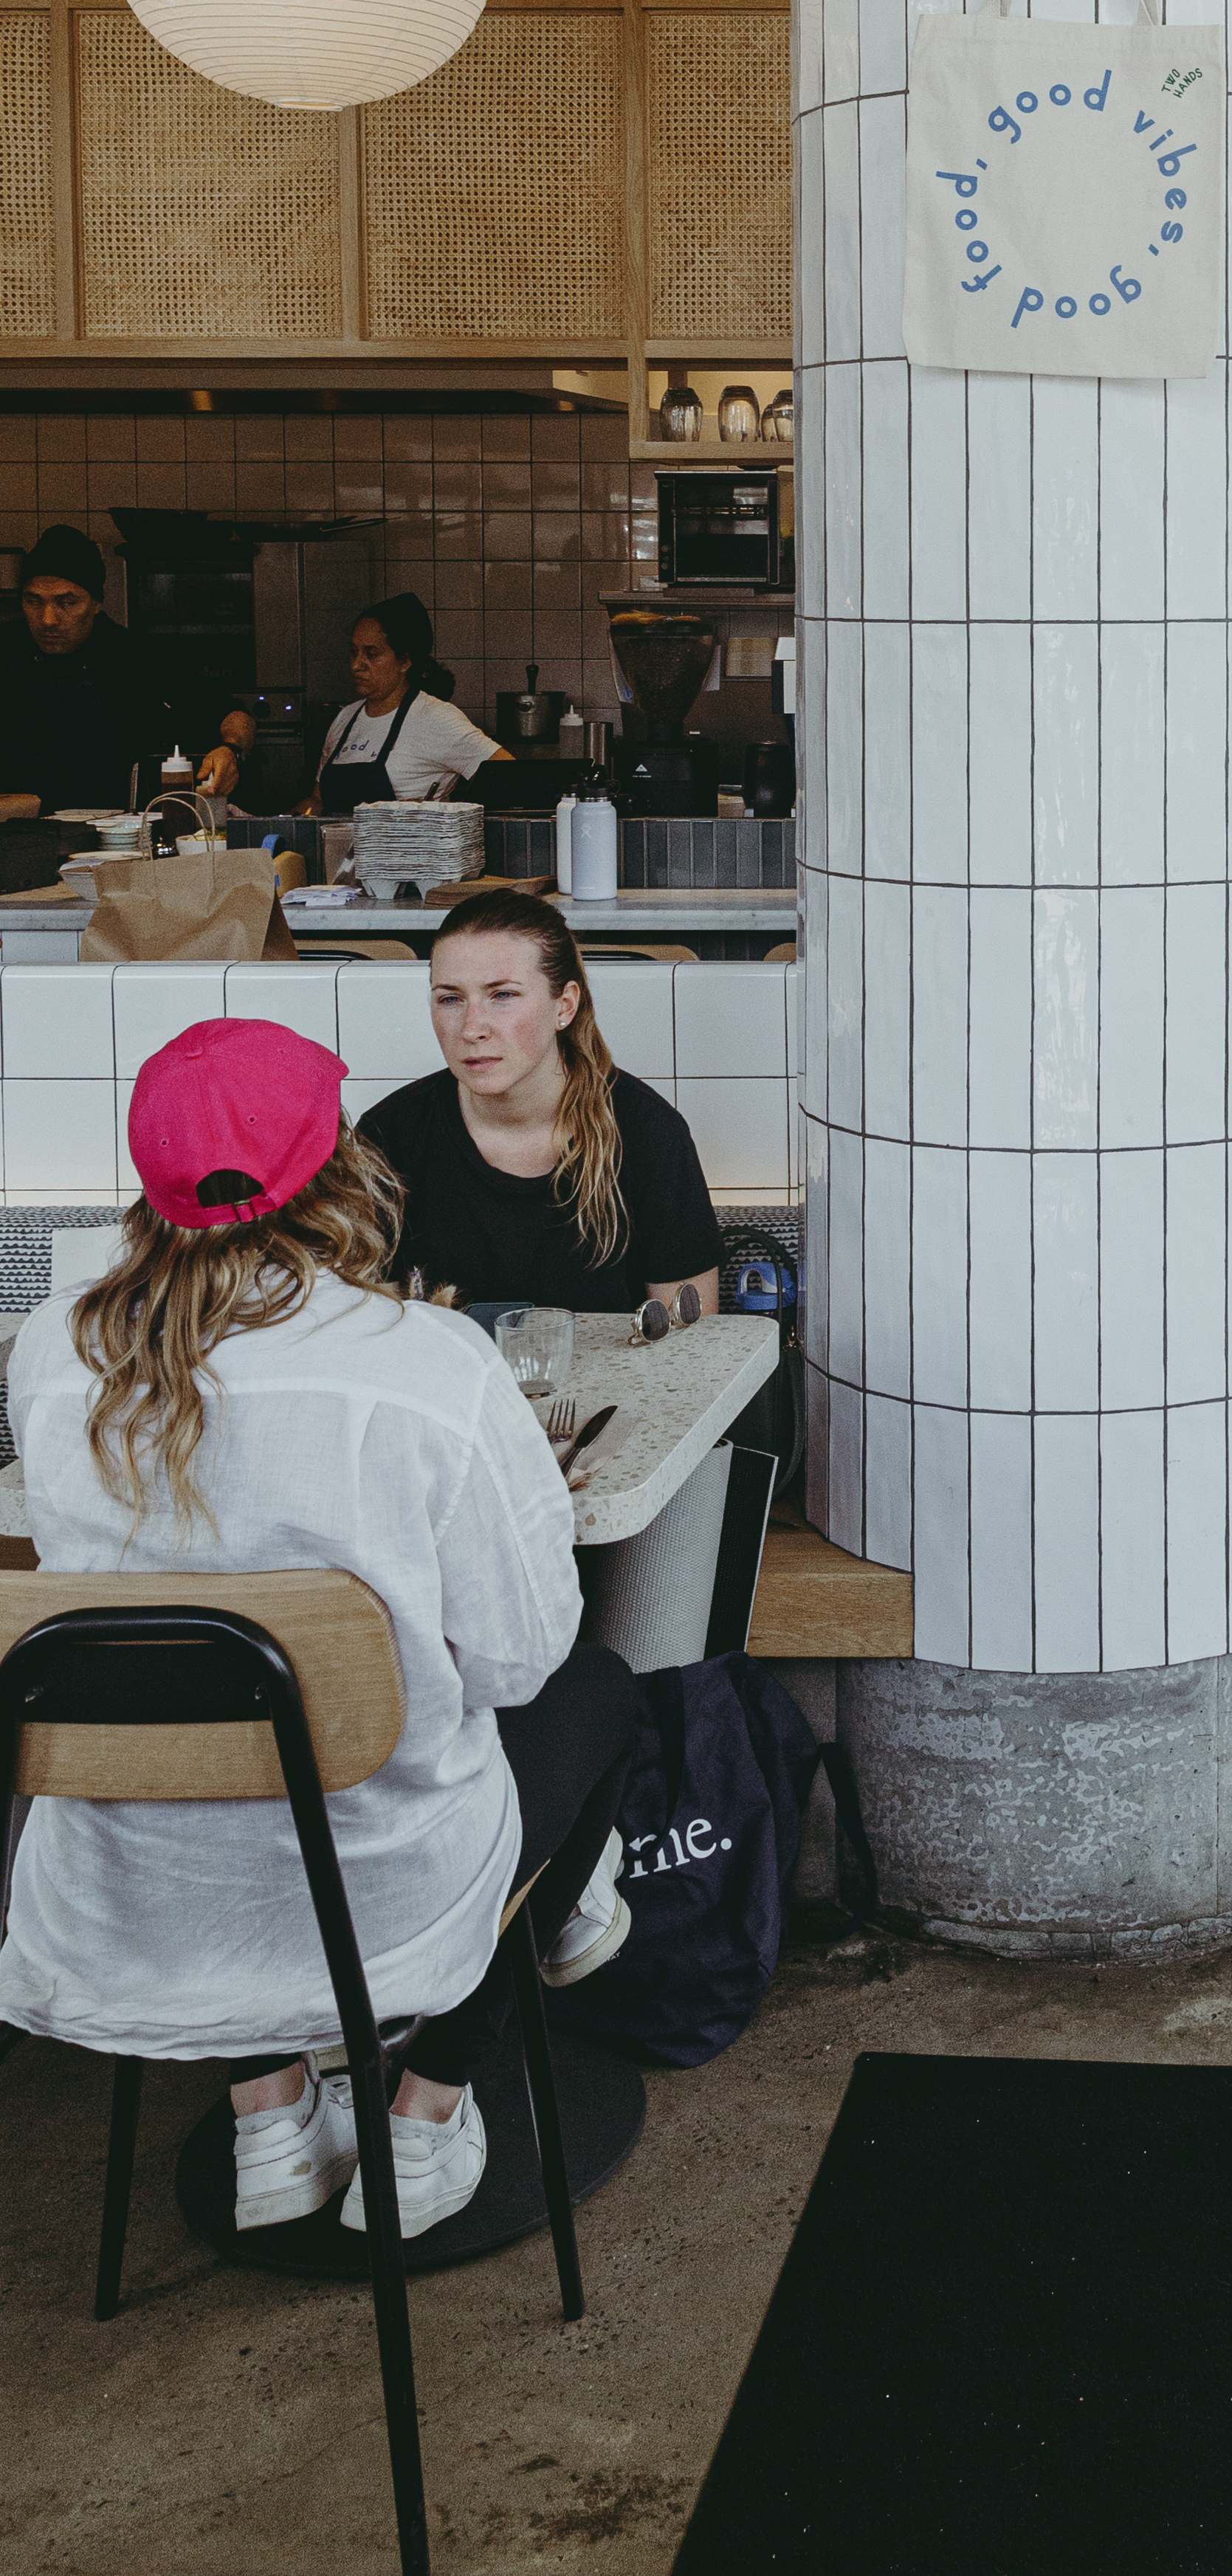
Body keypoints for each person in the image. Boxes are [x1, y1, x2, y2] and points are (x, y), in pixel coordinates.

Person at [0, 1017, 638, 2239]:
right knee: (597, 1693)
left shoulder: (53, 1349)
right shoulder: (428, 1365)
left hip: (127, 1905)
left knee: (217, 1773)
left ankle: (272, 2121)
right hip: (381, 1911)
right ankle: (426, 2115)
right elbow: (519, 1658)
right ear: (338, 1166)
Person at [362, 891, 721, 1322]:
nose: (473, 1028)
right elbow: (372, 1338)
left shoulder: (648, 1133)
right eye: (450, 999)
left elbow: (692, 1346)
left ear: (564, 1006)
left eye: (503, 995)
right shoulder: (387, 1137)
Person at [0, 523, 250, 819]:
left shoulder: (135, 656)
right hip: (15, 832)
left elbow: (236, 715)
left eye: (66, 603)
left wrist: (230, 750)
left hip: (114, 834)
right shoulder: (7, 648)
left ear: (96, 604)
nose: (48, 619)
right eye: (33, 602)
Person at [297, 595, 509, 811]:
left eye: (372, 654)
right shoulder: (345, 718)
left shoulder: (436, 718)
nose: (357, 665)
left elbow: (511, 780)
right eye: (353, 652)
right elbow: (317, 801)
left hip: (413, 845)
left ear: (405, 661)